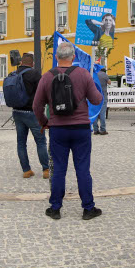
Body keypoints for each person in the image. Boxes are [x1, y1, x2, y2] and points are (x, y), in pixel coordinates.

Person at [33, 42, 104, 220]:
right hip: (81, 129)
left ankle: (55, 208)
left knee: (58, 170)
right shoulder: (83, 74)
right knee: (82, 169)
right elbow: (96, 100)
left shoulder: (47, 77)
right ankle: (88, 208)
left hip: (58, 129)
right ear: (73, 57)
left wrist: (45, 122)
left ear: (56, 57)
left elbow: (36, 105)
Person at [10, 52, 50, 179]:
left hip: (17, 112)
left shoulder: (14, 74)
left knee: (21, 142)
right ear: (32, 64)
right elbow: (42, 91)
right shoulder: (34, 74)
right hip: (32, 113)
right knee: (40, 141)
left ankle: (26, 170)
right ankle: (46, 169)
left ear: (21, 62)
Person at [91, 64, 109, 136]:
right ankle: (103, 129)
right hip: (103, 96)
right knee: (102, 113)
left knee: (95, 112)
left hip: (94, 96)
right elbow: (109, 82)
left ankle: (95, 130)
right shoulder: (104, 75)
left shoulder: (92, 75)